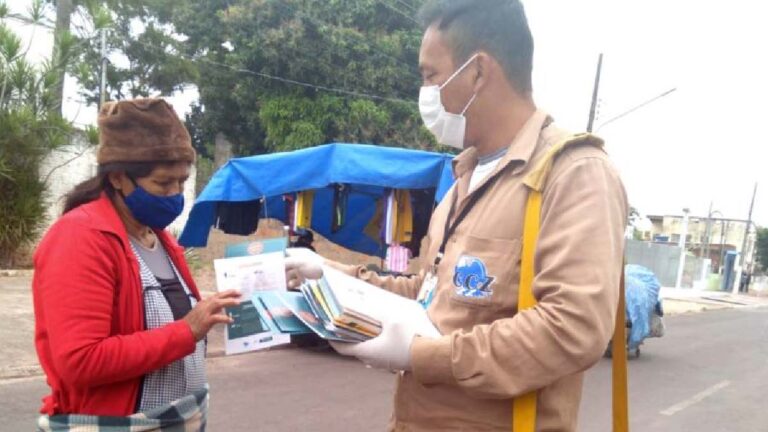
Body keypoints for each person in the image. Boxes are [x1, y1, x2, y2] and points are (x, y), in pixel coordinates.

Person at [285, 0, 628, 430]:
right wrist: (333, 275)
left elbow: (571, 329)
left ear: (478, 72)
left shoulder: (572, 174)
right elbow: (431, 295)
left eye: (430, 75)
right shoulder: (463, 177)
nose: (424, 93)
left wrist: (421, 355)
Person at [32, 98, 240, 431]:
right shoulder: (81, 238)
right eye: (162, 183)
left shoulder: (159, 238)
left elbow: (172, 321)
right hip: (116, 421)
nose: (175, 194)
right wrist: (186, 330)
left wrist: (216, 308)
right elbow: (80, 360)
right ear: (117, 178)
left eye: (181, 182)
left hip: (178, 417)